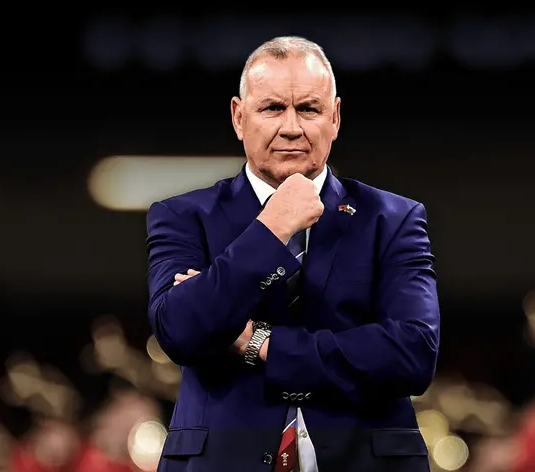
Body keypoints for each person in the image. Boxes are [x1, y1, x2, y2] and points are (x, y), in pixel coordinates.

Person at [146, 36, 440, 472]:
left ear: (335, 118)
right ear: (239, 117)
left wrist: (261, 343)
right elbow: (180, 330)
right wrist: (271, 228)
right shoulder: (182, 216)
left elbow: (413, 354)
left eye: (308, 109)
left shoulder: (394, 218)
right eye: (271, 108)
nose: (291, 127)